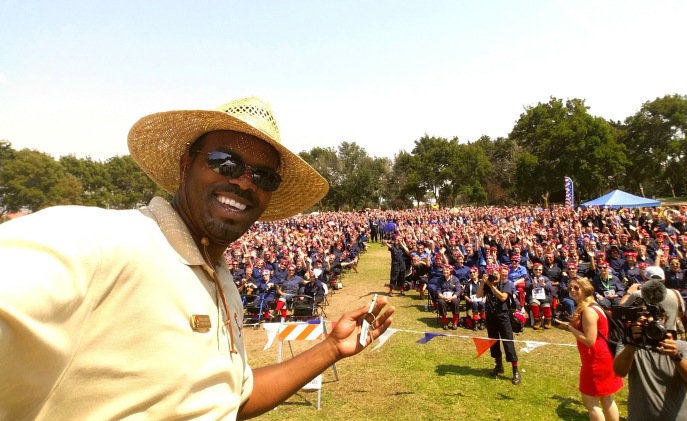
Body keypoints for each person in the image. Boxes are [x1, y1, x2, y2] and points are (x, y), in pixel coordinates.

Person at [0, 96, 395, 419]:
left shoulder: (221, 281)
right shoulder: (97, 241)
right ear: (186, 162)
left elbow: (229, 400)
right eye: (225, 162)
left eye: (263, 177)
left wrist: (329, 347)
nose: (242, 181)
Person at [613, 279, 687, 420]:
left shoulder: (680, 346)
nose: (642, 319)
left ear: (662, 319)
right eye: (639, 316)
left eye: (648, 315)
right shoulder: (628, 343)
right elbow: (619, 372)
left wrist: (676, 356)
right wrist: (632, 344)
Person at [554, 277, 622, 421]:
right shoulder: (592, 306)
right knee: (606, 397)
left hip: (596, 359)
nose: (572, 290)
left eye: (576, 288)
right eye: (570, 287)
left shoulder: (589, 311)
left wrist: (569, 327)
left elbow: (589, 341)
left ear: (586, 289)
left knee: (590, 401)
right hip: (603, 356)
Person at [476, 264, 522, 385]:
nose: (494, 276)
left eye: (496, 274)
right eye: (492, 274)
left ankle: (515, 371)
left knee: (508, 343)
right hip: (490, 316)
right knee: (493, 341)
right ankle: (498, 365)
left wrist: (492, 286)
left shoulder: (506, 284)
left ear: (500, 274)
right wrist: (482, 283)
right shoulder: (488, 283)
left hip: (503, 316)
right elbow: (478, 295)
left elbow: (503, 297)